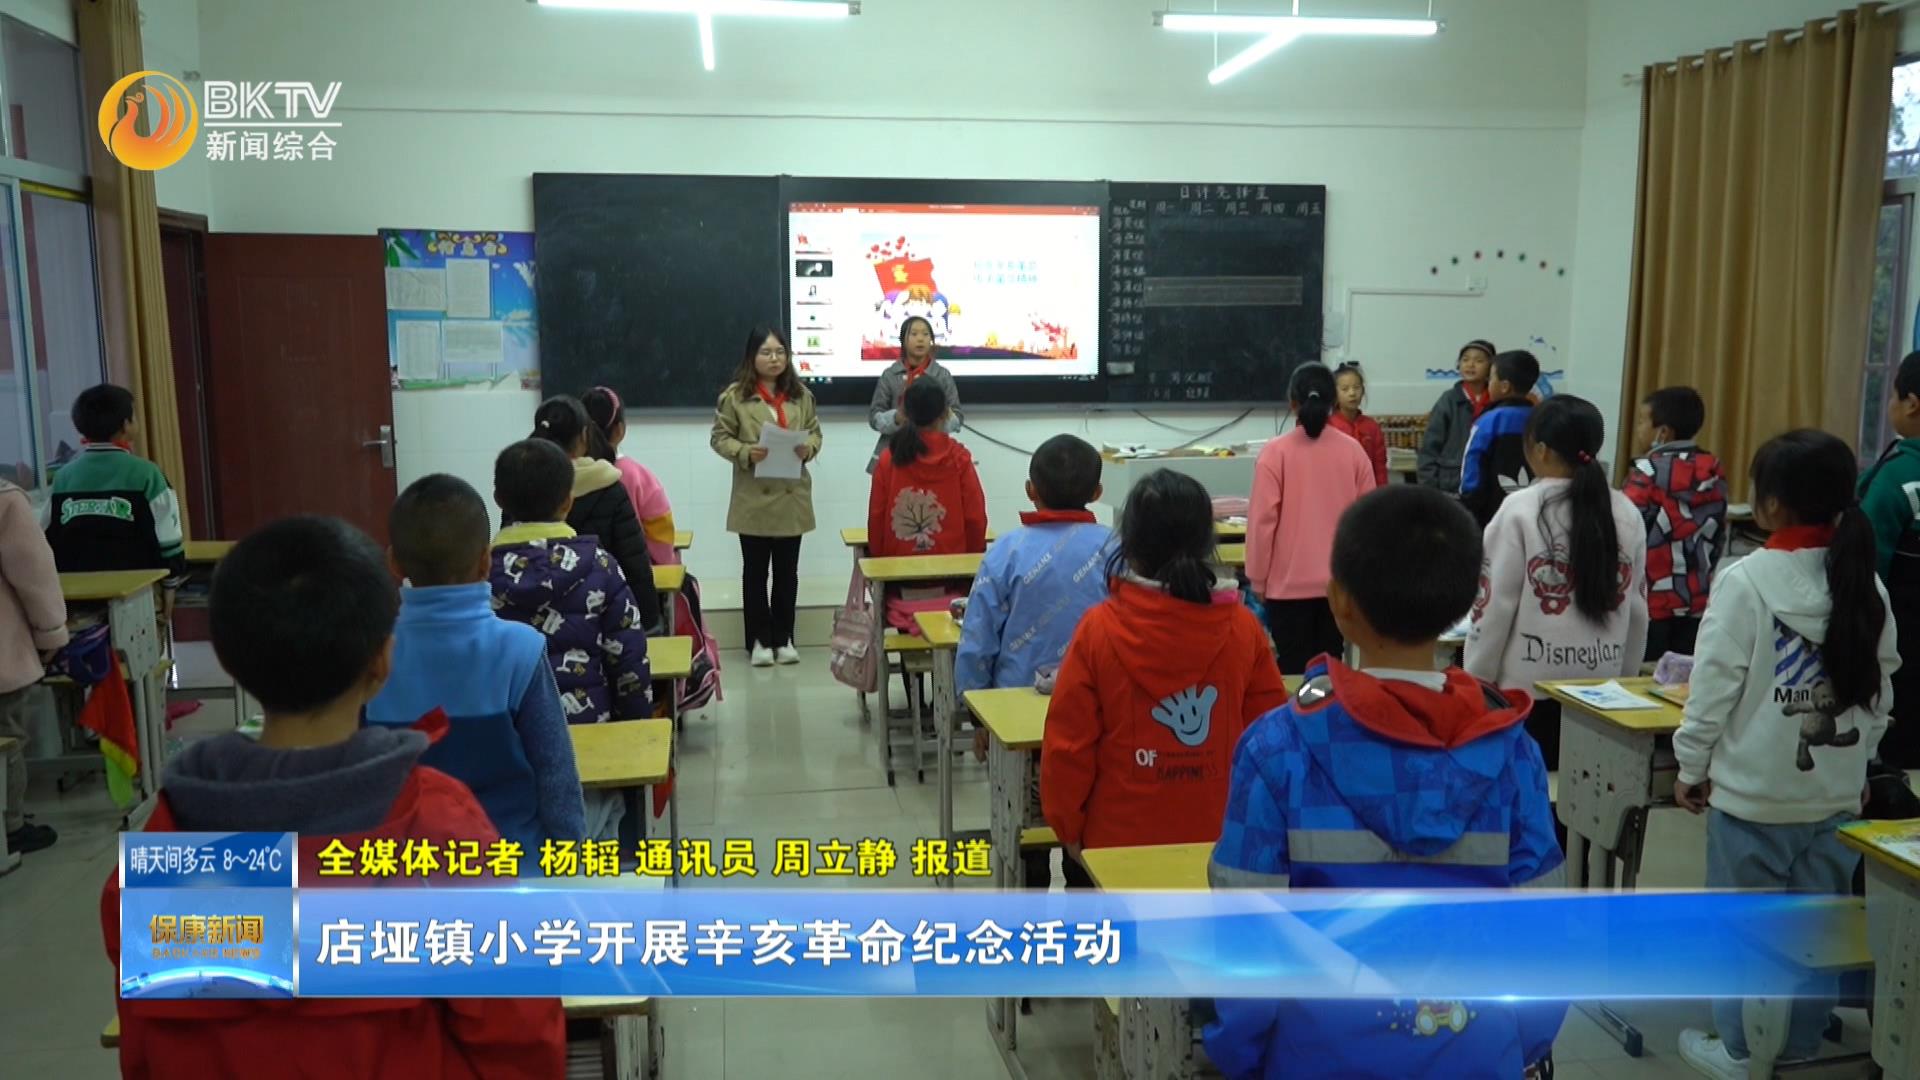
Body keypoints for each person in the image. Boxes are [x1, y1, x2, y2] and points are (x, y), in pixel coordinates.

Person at [100, 516, 565, 1077]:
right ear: (383, 661)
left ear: (227, 657)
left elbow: (147, 1053)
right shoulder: (441, 828)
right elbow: (521, 1038)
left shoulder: (162, 857)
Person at [1205, 485, 1565, 1080]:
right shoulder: (1512, 753)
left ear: (1339, 601)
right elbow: (1544, 930)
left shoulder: (1278, 748)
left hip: (1314, 1060)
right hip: (1477, 1056)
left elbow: (1249, 933)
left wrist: (1241, 1053)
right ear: (1467, 602)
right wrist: (1512, 1044)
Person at [1675, 430, 1897, 1079]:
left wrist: (1691, 766)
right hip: (1832, 796)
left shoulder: (1745, 580)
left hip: (1752, 799)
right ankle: (1798, 1047)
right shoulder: (1865, 584)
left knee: (1741, 931)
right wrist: (1860, 765)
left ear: (1769, 503)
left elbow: (1713, 689)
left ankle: (1741, 1050)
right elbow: (1881, 692)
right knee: (1813, 933)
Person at [1041, 470, 1289, 874]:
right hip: (1222, 843)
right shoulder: (1243, 628)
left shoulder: (1098, 629)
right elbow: (1271, 739)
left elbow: (1068, 745)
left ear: (1130, 543)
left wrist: (1066, 825)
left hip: (1116, 849)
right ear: (1207, 542)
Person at [366, 474, 586, 855]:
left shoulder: (370, 655)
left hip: (403, 869)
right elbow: (555, 774)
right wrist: (569, 860)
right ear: (487, 560)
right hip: (510, 865)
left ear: (394, 564)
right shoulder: (520, 649)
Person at [957, 434, 1113, 891]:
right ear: (1097, 493)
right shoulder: (1117, 549)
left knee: (1025, 824)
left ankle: (1029, 906)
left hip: (1017, 720)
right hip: (1097, 716)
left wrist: (978, 716)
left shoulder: (1006, 551)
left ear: (1031, 490)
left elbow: (977, 640)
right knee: (1088, 819)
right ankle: (1085, 904)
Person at [1465, 395, 1647, 771]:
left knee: (1529, 792)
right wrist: (1624, 682)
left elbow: (1493, 606)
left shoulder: (1520, 508)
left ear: (1541, 450)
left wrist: (1477, 681)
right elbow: (1637, 608)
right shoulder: (1626, 510)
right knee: (1585, 797)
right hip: (1601, 695)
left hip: (1526, 695)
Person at [491, 439, 651, 842]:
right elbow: (628, 660)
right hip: (591, 740)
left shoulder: (478, 572)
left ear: (499, 499)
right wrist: (634, 732)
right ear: (568, 501)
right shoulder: (601, 565)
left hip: (507, 747)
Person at [1247, 363, 1377, 672]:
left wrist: (1257, 578)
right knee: (1330, 674)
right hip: (1340, 586)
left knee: (1292, 674)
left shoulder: (1274, 453)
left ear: (1292, 402)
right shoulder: (1353, 452)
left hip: (1285, 590)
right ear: (1334, 401)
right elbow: (1370, 522)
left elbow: (1262, 523)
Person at [710, 327, 823, 667]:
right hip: (754, 496)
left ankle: (784, 638)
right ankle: (759, 640)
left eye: (780, 352)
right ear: (752, 357)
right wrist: (746, 452)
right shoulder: (735, 397)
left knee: (788, 572)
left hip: (791, 494)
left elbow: (815, 433)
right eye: (766, 352)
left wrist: (808, 448)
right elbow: (719, 438)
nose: (774, 359)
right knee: (756, 572)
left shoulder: (800, 394)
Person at [517, 395, 663, 633]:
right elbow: (634, 564)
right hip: (603, 623)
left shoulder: (521, 488)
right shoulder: (609, 486)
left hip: (532, 629)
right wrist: (648, 621)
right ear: (585, 436)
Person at [1622, 386, 1728, 662]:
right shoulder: (1714, 471)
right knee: (1681, 674)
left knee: (1643, 677)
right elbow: (1718, 535)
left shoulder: (1647, 471)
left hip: (1652, 600)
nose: (1638, 429)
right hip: (1696, 597)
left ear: (1663, 432)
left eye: (1642, 421)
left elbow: (1626, 529)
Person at [45, 383, 185, 579]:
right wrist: (171, 582)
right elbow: (169, 537)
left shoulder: (63, 477)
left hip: (75, 587)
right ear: (126, 425)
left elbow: (45, 536)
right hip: (138, 586)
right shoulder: (148, 474)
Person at [1857, 349, 1920, 769]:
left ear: (1911, 403)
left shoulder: (1895, 477)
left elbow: (1864, 571)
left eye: (1894, 395)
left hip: (1903, 652)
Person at [0, 477, 67, 854]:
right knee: (6, 734)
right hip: (3, 651)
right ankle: (9, 826)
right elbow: (34, 575)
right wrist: (51, 632)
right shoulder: (6, 500)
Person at [866, 380, 988, 559]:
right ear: (946, 414)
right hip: (954, 569)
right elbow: (975, 519)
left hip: (896, 569)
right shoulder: (960, 459)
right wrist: (970, 561)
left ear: (903, 413)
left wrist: (880, 563)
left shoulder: (888, 460)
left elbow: (876, 518)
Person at [582, 386, 679, 568]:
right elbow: (661, 535)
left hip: (580, 573)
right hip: (634, 573)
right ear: (620, 430)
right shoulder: (637, 476)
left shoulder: (566, 474)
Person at [867, 315, 963, 474]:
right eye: (914, 334)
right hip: (895, 454)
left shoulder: (941, 375)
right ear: (903, 340)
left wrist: (935, 421)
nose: (920, 339)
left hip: (935, 455)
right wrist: (896, 418)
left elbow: (957, 416)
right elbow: (874, 417)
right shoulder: (890, 375)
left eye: (925, 334)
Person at [1459, 349, 1541, 526]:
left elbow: (1473, 461)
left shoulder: (1489, 421)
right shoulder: (1541, 418)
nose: (1488, 383)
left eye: (1491, 378)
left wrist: (1469, 501)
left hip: (1491, 513)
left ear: (1504, 386)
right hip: (1535, 508)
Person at [1416, 339, 1496, 493]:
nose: (1470, 365)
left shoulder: (1495, 402)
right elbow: (1429, 449)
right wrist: (1429, 489)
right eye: (1465, 360)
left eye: (1478, 360)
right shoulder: (1449, 400)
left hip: (1487, 482)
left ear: (1491, 368)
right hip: (1450, 483)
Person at [1328, 361, 1388, 487]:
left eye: (1356, 387)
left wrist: (1382, 494)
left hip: (1368, 492)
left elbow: (1380, 469)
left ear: (1363, 390)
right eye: (1345, 389)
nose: (1352, 393)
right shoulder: (1328, 427)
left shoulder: (1372, 427)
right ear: (1334, 394)